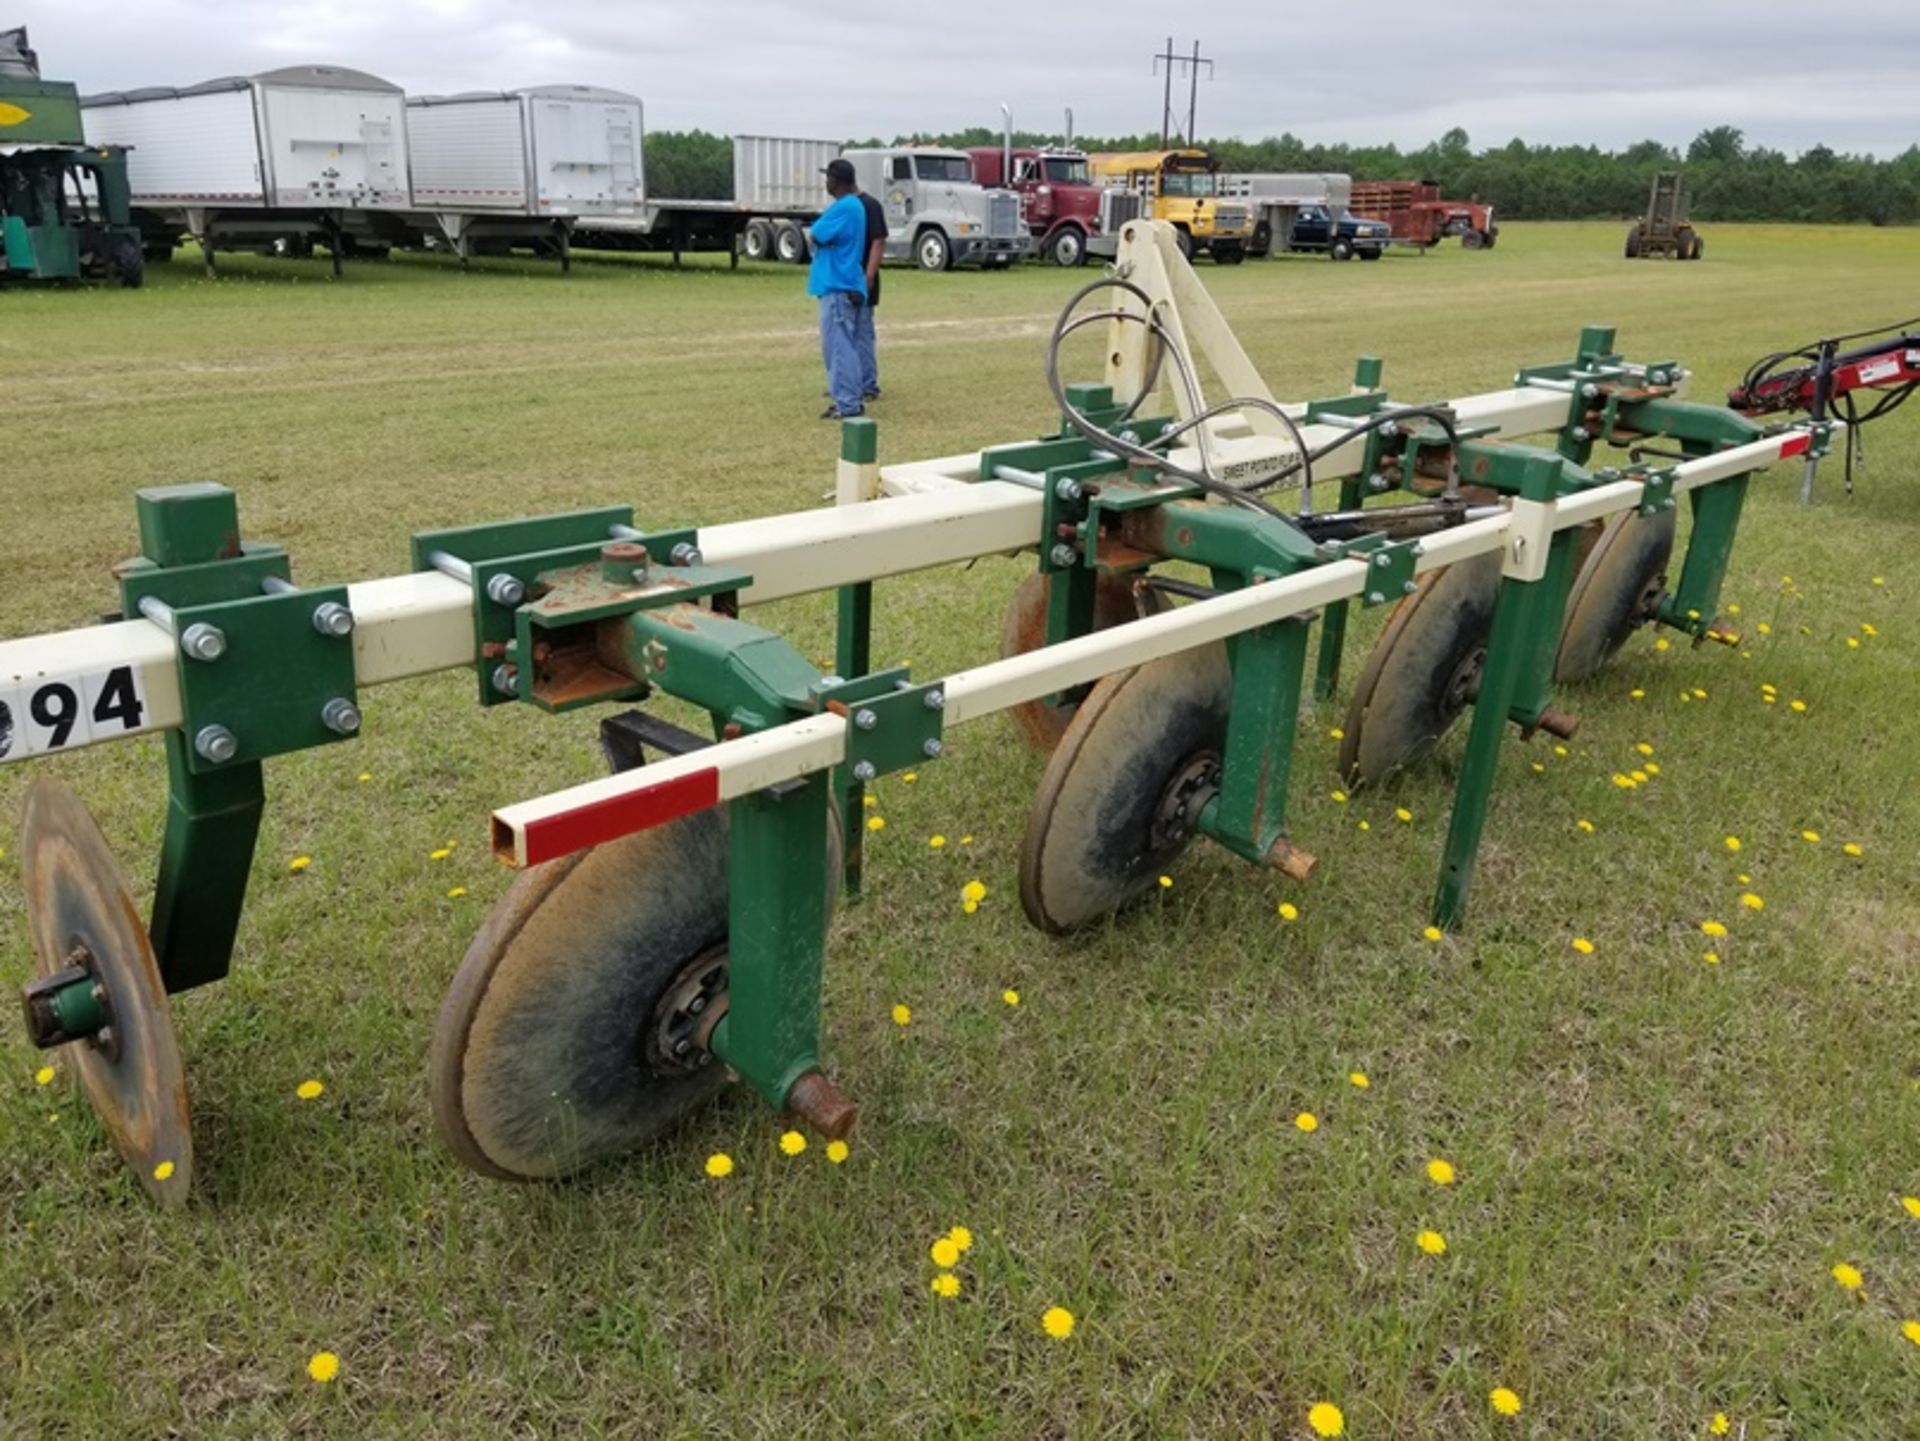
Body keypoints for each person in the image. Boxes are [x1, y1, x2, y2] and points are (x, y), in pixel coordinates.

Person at [806, 158, 868, 420]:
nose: (825, 183)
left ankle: (846, 403)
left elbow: (817, 233)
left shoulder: (843, 207)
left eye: (828, 178)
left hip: (837, 284)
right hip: (848, 281)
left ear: (837, 180)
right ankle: (851, 398)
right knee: (848, 347)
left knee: (838, 348)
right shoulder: (856, 205)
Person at [852, 178, 886, 403]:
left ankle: (868, 384)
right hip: (844, 280)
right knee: (845, 337)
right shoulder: (845, 207)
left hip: (863, 279)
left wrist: (869, 276)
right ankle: (848, 382)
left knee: (863, 333)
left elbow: (878, 241)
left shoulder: (870, 205)